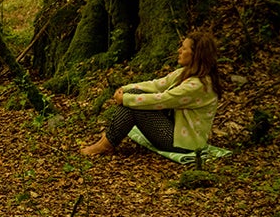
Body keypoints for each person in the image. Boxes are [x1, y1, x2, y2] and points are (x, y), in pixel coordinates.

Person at [81, 31, 224, 156]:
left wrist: (125, 99)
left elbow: (162, 100)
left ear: (196, 54)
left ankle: (106, 144)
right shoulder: (185, 73)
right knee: (133, 96)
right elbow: (157, 85)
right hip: (175, 131)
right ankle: (106, 141)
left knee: (134, 104)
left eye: (184, 48)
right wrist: (125, 89)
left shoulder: (198, 85)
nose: (179, 50)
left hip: (184, 144)